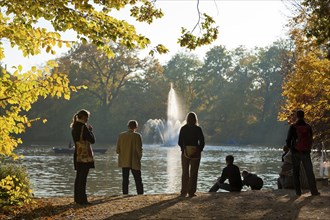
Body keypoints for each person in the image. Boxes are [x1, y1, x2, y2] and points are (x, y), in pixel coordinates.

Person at [286, 110, 320, 196]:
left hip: (296, 152)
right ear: (304, 116)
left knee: (296, 173)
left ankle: (298, 192)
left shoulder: (293, 126)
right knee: (309, 172)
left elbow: (288, 140)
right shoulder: (308, 126)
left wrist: (292, 149)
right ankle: (314, 191)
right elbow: (311, 138)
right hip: (306, 152)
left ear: (297, 116)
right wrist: (308, 149)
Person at [71, 109, 95, 205]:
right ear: (84, 117)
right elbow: (92, 140)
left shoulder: (74, 126)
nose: (87, 119)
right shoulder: (84, 127)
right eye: (87, 117)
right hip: (85, 155)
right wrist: (90, 131)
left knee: (78, 176)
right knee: (83, 177)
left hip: (77, 153)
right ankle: (83, 199)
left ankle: (77, 198)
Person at [178, 112, 205, 197]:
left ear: (187, 119)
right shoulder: (198, 129)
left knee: (185, 172)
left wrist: (183, 149)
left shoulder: (183, 128)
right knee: (194, 172)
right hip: (196, 152)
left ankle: (183, 191)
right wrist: (199, 150)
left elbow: (179, 142)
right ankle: (191, 192)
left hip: (185, 152)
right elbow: (202, 141)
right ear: (195, 119)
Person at [116, 120, 144, 195]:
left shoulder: (121, 135)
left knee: (125, 179)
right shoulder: (137, 136)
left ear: (128, 126)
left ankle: (125, 193)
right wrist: (139, 157)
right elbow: (139, 149)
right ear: (136, 127)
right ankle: (140, 194)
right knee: (138, 179)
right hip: (134, 161)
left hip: (124, 161)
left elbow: (117, 150)